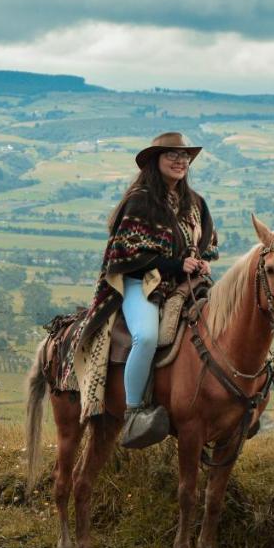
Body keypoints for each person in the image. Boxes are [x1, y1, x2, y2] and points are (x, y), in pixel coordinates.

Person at [71, 132, 218, 447]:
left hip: (187, 287)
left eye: (184, 156)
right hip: (142, 285)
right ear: (156, 160)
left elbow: (206, 245)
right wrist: (177, 265)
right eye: (172, 155)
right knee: (147, 336)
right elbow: (127, 256)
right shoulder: (140, 201)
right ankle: (135, 411)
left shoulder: (196, 204)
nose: (180, 161)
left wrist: (202, 262)